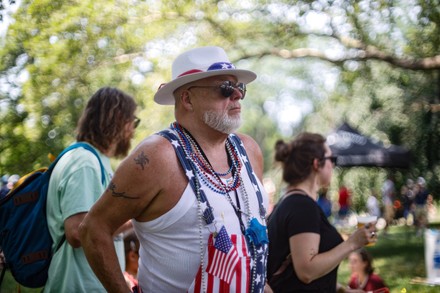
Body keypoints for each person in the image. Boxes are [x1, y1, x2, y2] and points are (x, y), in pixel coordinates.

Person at [80, 46, 271, 293]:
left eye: (239, 88)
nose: (237, 95)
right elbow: (93, 229)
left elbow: (247, 250)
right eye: (225, 88)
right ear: (187, 99)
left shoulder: (249, 150)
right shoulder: (157, 157)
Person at [44, 87, 139, 292]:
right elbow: (79, 232)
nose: (133, 130)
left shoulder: (95, 161)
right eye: (133, 121)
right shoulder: (84, 162)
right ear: (118, 119)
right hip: (78, 285)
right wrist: (136, 217)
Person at [267, 132, 376, 292]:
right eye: (331, 159)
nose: (333, 165)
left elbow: (297, 276)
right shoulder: (302, 206)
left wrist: (343, 290)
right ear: (317, 164)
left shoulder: (293, 202)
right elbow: (306, 271)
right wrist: (352, 243)